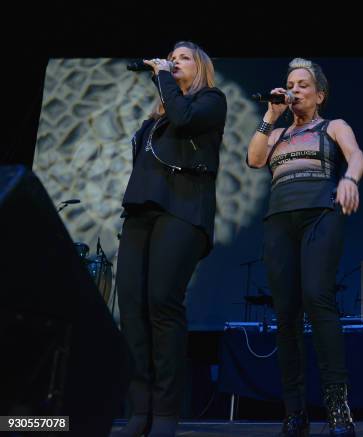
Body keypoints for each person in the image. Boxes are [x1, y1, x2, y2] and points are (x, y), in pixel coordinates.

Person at [246, 57, 363, 437]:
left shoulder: (334, 126)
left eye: (302, 85)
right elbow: (253, 159)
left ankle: (337, 408)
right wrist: (270, 114)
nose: (294, 90)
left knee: (318, 298)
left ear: (319, 94)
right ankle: (294, 411)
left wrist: (350, 178)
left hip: (320, 214)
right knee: (286, 313)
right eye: (290, 84)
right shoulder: (277, 135)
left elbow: (357, 155)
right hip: (280, 222)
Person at [113, 41, 227, 437]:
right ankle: (138, 410)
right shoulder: (150, 125)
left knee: (162, 302)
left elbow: (183, 118)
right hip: (141, 213)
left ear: (200, 68)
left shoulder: (212, 101)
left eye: (182, 59)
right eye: (171, 58)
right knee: (132, 307)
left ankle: (165, 413)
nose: (173, 62)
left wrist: (162, 74)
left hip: (183, 211)